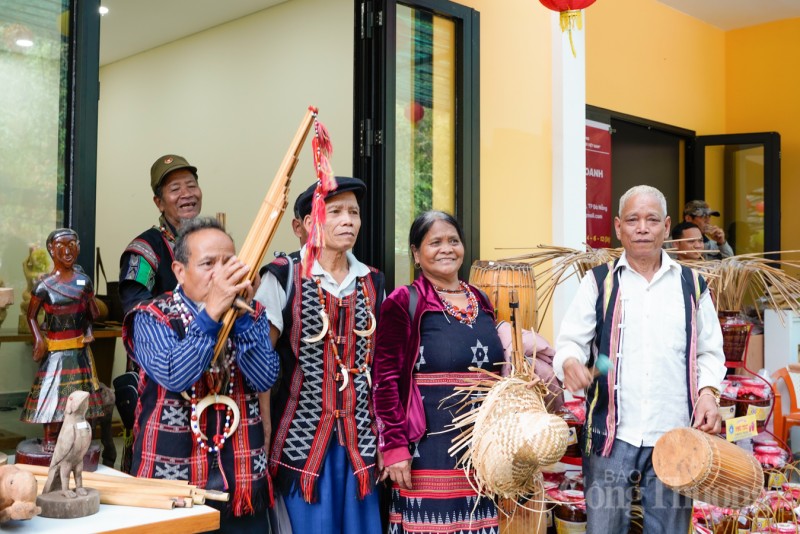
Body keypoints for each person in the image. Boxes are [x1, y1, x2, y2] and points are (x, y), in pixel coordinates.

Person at [554, 185, 726, 533]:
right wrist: (571, 362)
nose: (642, 228)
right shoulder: (598, 283)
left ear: (666, 225)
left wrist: (708, 392)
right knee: (604, 529)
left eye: (651, 220)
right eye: (633, 219)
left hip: (676, 434)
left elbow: (709, 350)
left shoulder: (692, 285)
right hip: (611, 435)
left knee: (669, 530)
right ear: (618, 227)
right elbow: (570, 342)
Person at [122, 217, 278, 533]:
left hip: (242, 484)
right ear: (180, 271)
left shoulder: (253, 315)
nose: (220, 273)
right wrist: (210, 317)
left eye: (228, 262)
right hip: (171, 488)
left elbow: (265, 378)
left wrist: (243, 319)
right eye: (208, 263)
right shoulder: (152, 316)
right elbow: (176, 375)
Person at [255, 176, 385, 533]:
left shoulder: (373, 282)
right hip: (301, 441)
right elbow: (262, 364)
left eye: (354, 213)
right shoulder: (283, 276)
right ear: (311, 223)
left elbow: (381, 368)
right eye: (336, 212)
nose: (348, 220)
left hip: (360, 443)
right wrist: (264, 431)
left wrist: (387, 438)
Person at [372, 210, 502, 533]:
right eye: (435, 242)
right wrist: (394, 447)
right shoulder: (405, 301)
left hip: (479, 458)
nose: (447, 249)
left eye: (453, 241)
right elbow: (384, 381)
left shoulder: (482, 300)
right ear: (416, 253)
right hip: (424, 455)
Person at [21, 228, 104, 451]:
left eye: (72, 245)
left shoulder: (83, 282)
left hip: (78, 350)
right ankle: (50, 437)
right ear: (51, 249)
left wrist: (87, 328)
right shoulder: (44, 286)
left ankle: (77, 439)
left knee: (79, 397)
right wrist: (39, 338)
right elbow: (31, 316)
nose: (67, 251)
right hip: (56, 350)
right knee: (53, 393)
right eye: (62, 246)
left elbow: (92, 314)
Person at [118, 154, 203, 315]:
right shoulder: (145, 250)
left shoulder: (210, 243)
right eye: (175, 189)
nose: (186, 194)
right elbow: (137, 310)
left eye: (191, 186)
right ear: (159, 202)